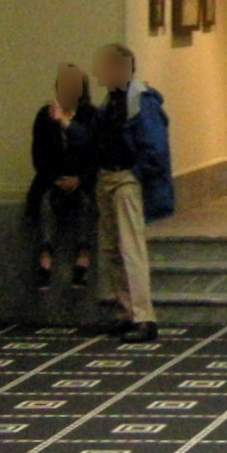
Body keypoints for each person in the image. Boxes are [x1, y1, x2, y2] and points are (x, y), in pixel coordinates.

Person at [91, 43, 173, 342]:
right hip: (107, 176)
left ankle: (143, 316)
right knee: (111, 250)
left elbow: (155, 147)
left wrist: (136, 175)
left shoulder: (141, 101)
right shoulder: (110, 102)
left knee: (130, 249)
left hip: (127, 177)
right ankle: (126, 310)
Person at [24, 62, 96, 290]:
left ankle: (82, 258)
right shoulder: (45, 116)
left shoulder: (90, 116)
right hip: (52, 179)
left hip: (81, 180)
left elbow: (94, 154)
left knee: (85, 203)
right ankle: (45, 258)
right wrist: (56, 179)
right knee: (45, 202)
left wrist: (79, 179)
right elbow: (39, 155)